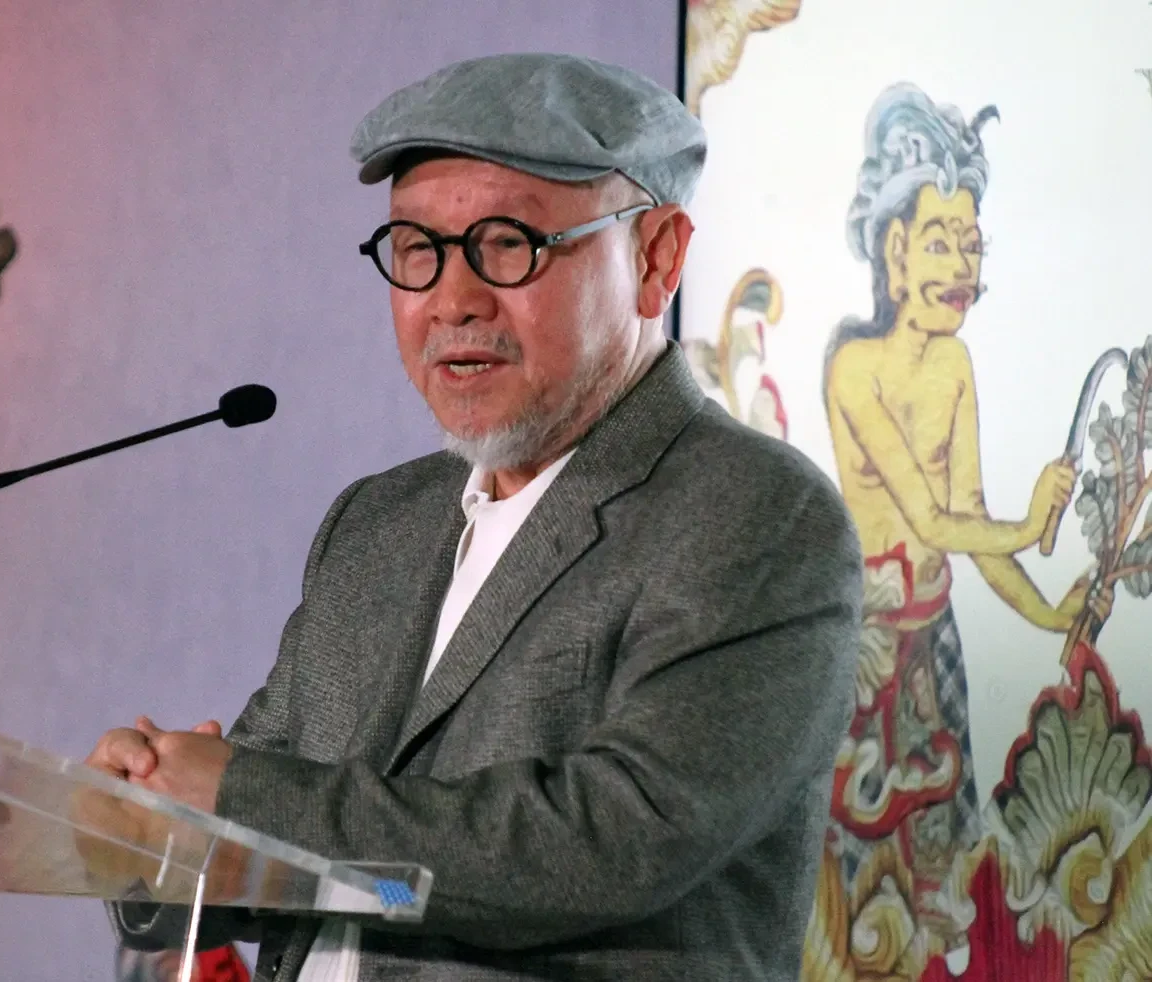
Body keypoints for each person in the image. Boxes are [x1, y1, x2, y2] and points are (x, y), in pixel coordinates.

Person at [85, 52, 863, 981]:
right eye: (418, 249)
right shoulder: (377, 524)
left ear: (657, 258)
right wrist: (149, 821)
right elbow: (291, 828)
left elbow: (606, 847)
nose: (453, 301)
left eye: (508, 243)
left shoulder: (753, 515)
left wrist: (240, 799)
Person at [819, 83, 1106, 974]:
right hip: (865, 653)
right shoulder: (854, 369)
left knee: (947, 879)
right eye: (941, 240)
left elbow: (969, 530)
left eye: (972, 245)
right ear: (895, 250)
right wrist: (1031, 520)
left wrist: (1050, 614)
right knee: (861, 885)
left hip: (934, 644)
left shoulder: (955, 364)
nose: (961, 267)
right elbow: (931, 518)